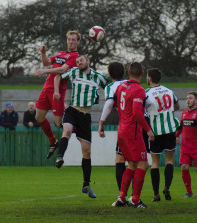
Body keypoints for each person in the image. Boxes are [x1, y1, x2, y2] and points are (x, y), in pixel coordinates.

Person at [54, 55, 108, 199]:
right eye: (77, 61)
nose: (79, 63)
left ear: (88, 62)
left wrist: (111, 102)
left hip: (85, 116)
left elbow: (109, 87)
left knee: (87, 152)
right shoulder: (73, 72)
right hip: (72, 110)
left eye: (81, 60)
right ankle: (59, 157)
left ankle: (86, 185)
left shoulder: (98, 77)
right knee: (67, 130)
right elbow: (58, 76)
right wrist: (56, 91)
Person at [111, 62, 154, 208]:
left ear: (128, 72)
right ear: (142, 73)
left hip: (122, 131)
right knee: (144, 164)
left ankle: (122, 197)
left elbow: (117, 105)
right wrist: (148, 129)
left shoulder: (120, 87)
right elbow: (136, 112)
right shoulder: (139, 90)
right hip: (132, 133)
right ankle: (135, 200)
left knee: (131, 165)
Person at [32, 30, 80, 159]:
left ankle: (80, 129)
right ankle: (53, 141)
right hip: (46, 88)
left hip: (57, 91)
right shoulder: (61, 53)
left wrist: (44, 71)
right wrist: (43, 53)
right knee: (39, 117)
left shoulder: (75, 56)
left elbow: (63, 69)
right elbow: (46, 62)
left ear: (78, 42)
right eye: (69, 39)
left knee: (58, 123)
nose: (70, 41)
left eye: (73, 40)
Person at [145, 68, 180, 201]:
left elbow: (142, 109)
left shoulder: (147, 93)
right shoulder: (169, 90)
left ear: (149, 78)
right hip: (170, 129)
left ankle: (156, 194)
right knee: (169, 161)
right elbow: (177, 106)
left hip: (155, 131)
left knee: (155, 162)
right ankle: (167, 187)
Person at [98, 61, 127, 192]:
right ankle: (136, 197)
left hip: (127, 125)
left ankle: (123, 196)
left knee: (120, 159)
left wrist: (101, 122)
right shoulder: (132, 84)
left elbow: (109, 104)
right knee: (139, 162)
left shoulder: (110, 87)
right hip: (142, 124)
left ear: (109, 74)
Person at [175, 91, 197, 198]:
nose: (188, 100)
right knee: (184, 167)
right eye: (187, 98)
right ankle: (189, 192)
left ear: (196, 101)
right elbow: (181, 126)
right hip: (185, 146)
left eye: (190, 98)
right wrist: (176, 135)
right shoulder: (184, 112)